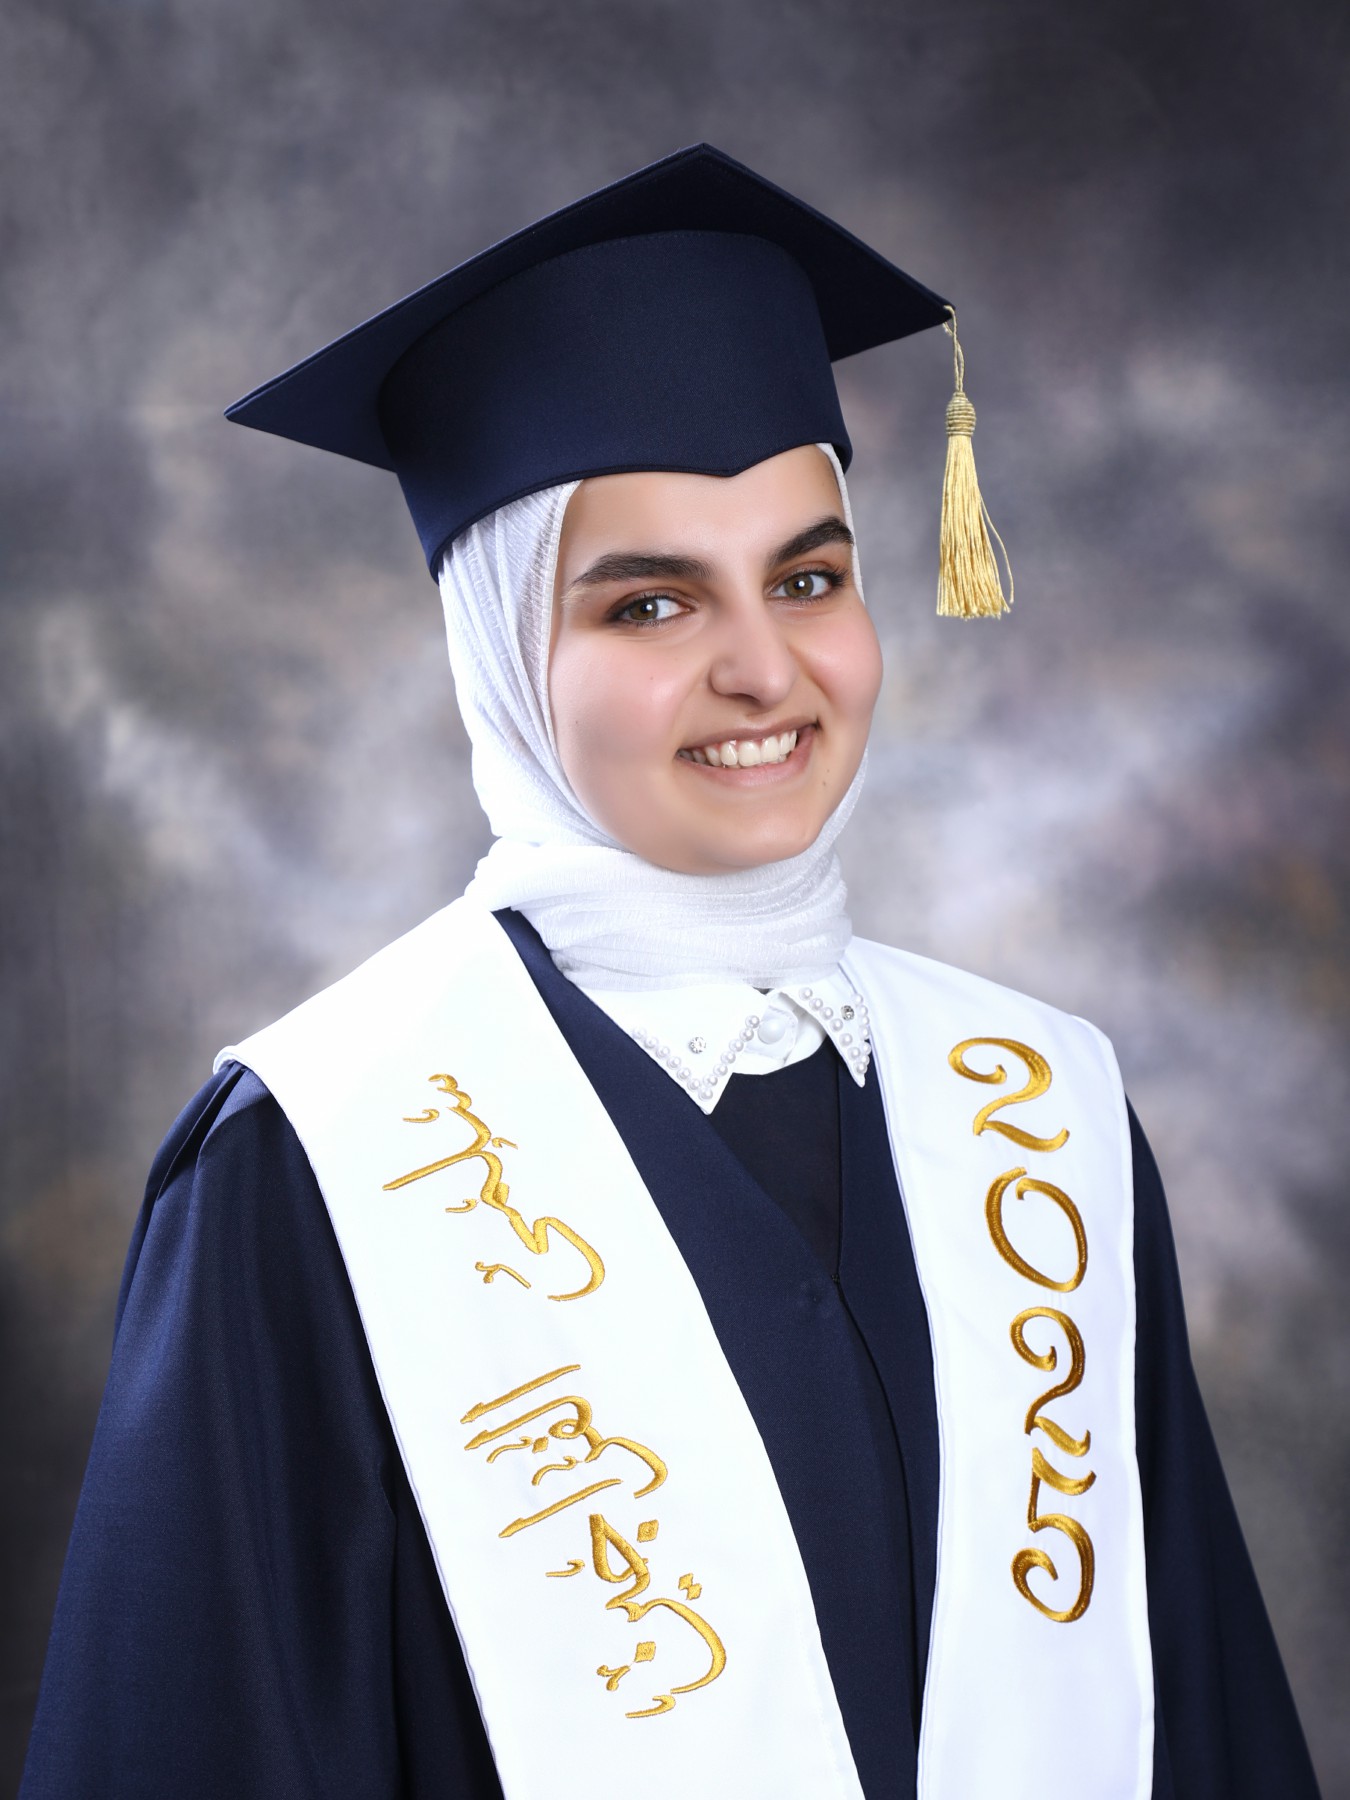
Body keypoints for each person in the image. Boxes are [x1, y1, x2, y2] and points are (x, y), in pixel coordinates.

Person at [20, 144, 1320, 1800]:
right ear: (504, 655)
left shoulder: (1040, 1115)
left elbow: (1192, 1718)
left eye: (808, 578)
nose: (763, 668)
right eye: (647, 606)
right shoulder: (312, 1162)